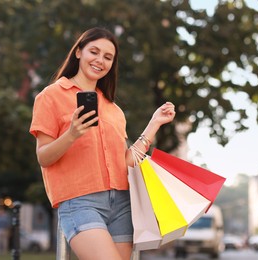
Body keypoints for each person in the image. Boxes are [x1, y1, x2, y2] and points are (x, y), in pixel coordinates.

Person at [29, 27, 175, 260]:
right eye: (94, 52)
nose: (100, 60)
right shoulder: (51, 96)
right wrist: (72, 134)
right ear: (78, 52)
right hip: (80, 202)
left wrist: (154, 124)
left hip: (122, 204)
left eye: (108, 57)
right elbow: (43, 157)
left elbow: (125, 162)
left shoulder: (113, 109)